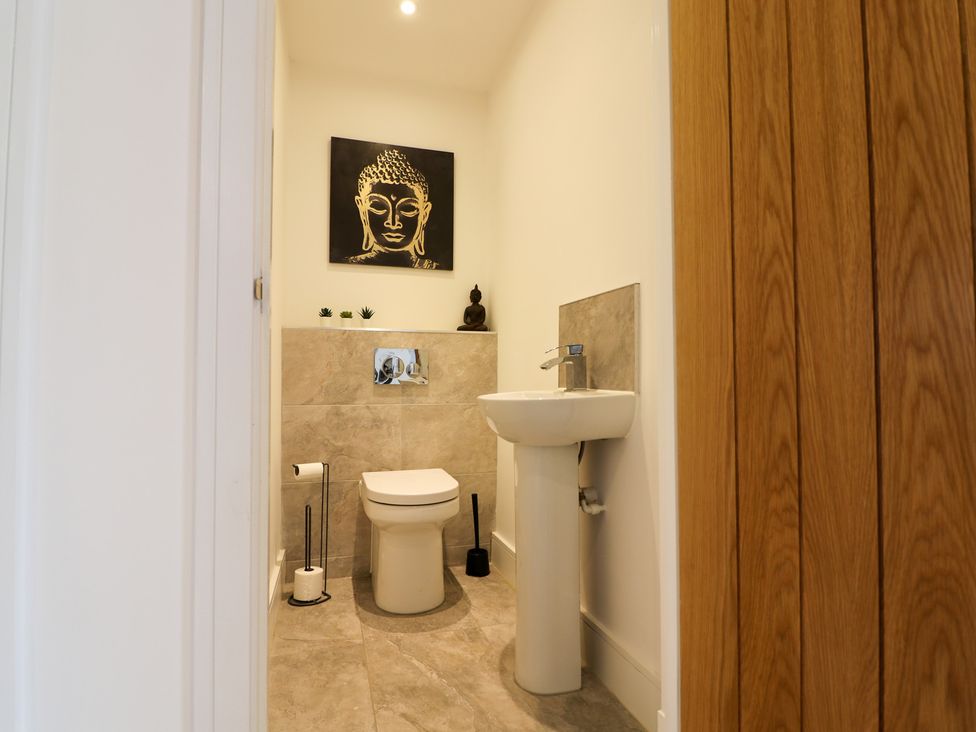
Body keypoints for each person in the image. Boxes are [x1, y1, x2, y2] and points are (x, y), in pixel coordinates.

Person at [346, 148, 439, 269]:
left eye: (408, 208)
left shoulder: (435, 268)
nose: (393, 223)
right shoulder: (349, 264)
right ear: (362, 210)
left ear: (424, 214)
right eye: (378, 207)